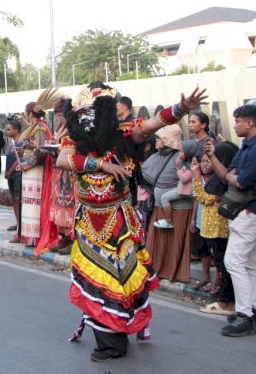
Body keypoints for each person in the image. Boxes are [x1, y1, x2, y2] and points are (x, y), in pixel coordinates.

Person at [57, 82, 207, 362]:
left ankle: (115, 339)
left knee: (121, 281)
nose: (84, 119)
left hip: (119, 223)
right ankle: (110, 341)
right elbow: (63, 161)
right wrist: (102, 164)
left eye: (91, 112)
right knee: (97, 283)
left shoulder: (122, 135)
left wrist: (180, 109)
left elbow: (149, 127)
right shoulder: (74, 143)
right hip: (89, 225)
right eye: (81, 113)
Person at [214, 105, 256, 337]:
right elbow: (231, 172)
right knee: (249, 263)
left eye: (238, 121)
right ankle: (250, 309)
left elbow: (240, 180)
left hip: (249, 211)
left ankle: (244, 315)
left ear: (249, 123)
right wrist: (233, 176)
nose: (236, 124)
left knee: (234, 261)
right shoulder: (246, 146)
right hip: (247, 210)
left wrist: (233, 177)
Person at [145, 133, 196, 283]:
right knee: (158, 242)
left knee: (172, 244)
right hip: (160, 206)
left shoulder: (182, 160)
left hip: (178, 208)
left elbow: (184, 181)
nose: (156, 140)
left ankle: (172, 272)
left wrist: (178, 165)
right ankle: (156, 271)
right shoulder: (159, 156)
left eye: (160, 138)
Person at [193, 143, 238, 315]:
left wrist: (196, 178)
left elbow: (204, 197)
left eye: (214, 158)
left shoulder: (221, 180)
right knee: (221, 265)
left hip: (220, 230)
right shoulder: (217, 179)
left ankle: (227, 302)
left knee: (224, 266)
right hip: (214, 230)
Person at [19, 88, 61, 247]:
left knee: (33, 205)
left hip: (35, 170)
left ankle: (34, 237)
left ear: (30, 114)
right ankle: (30, 236)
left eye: (26, 113)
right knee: (30, 204)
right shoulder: (35, 126)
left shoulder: (40, 128)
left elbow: (42, 150)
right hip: (30, 169)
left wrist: (28, 163)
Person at [38, 99, 76, 255]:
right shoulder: (61, 126)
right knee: (59, 206)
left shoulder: (74, 127)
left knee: (69, 207)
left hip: (69, 172)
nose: (60, 119)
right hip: (58, 171)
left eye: (62, 116)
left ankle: (73, 239)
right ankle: (64, 237)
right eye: (59, 116)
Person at [154, 139, 197, 229]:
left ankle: (168, 220)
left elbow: (184, 179)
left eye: (181, 152)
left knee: (164, 198)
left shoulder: (192, 166)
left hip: (185, 191)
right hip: (182, 189)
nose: (179, 154)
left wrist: (177, 168)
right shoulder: (187, 164)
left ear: (188, 153)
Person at [4, 120, 23, 236]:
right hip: (10, 175)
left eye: (9, 129)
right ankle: (17, 222)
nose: (7, 131)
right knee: (14, 200)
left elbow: (19, 159)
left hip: (17, 175)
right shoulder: (11, 142)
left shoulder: (21, 143)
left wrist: (10, 171)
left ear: (16, 130)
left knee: (18, 199)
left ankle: (21, 223)